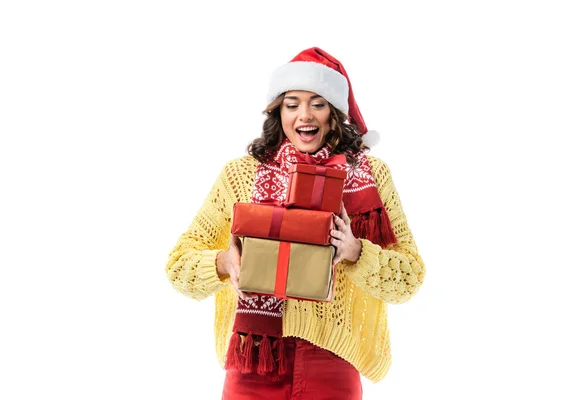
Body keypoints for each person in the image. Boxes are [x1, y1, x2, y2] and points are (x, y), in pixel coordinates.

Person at [165, 47, 426, 399]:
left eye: (318, 103)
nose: (305, 115)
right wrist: (225, 262)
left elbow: (409, 278)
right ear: (279, 112)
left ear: (335, 112)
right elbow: (179, 266)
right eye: (292, 104)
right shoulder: (241, 176)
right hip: (253, 359)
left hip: (332, 362)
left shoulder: (370, 177)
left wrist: (356, 251)